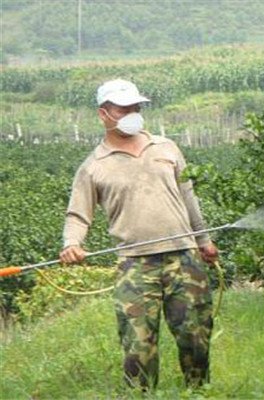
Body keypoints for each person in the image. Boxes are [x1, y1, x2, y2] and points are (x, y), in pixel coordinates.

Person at [59, 78, 218, 390]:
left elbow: (189, 197)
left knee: (195, 338)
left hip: (184, 259)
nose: (133, 112)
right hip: (136, 267)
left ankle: (200, 394)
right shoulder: (94, 166)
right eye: (124, 108)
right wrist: (71, 244)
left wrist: (204, 241)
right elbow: (78, 215)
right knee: (138, 348)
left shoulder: (167, 148)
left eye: (136, 107)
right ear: (103, 114)